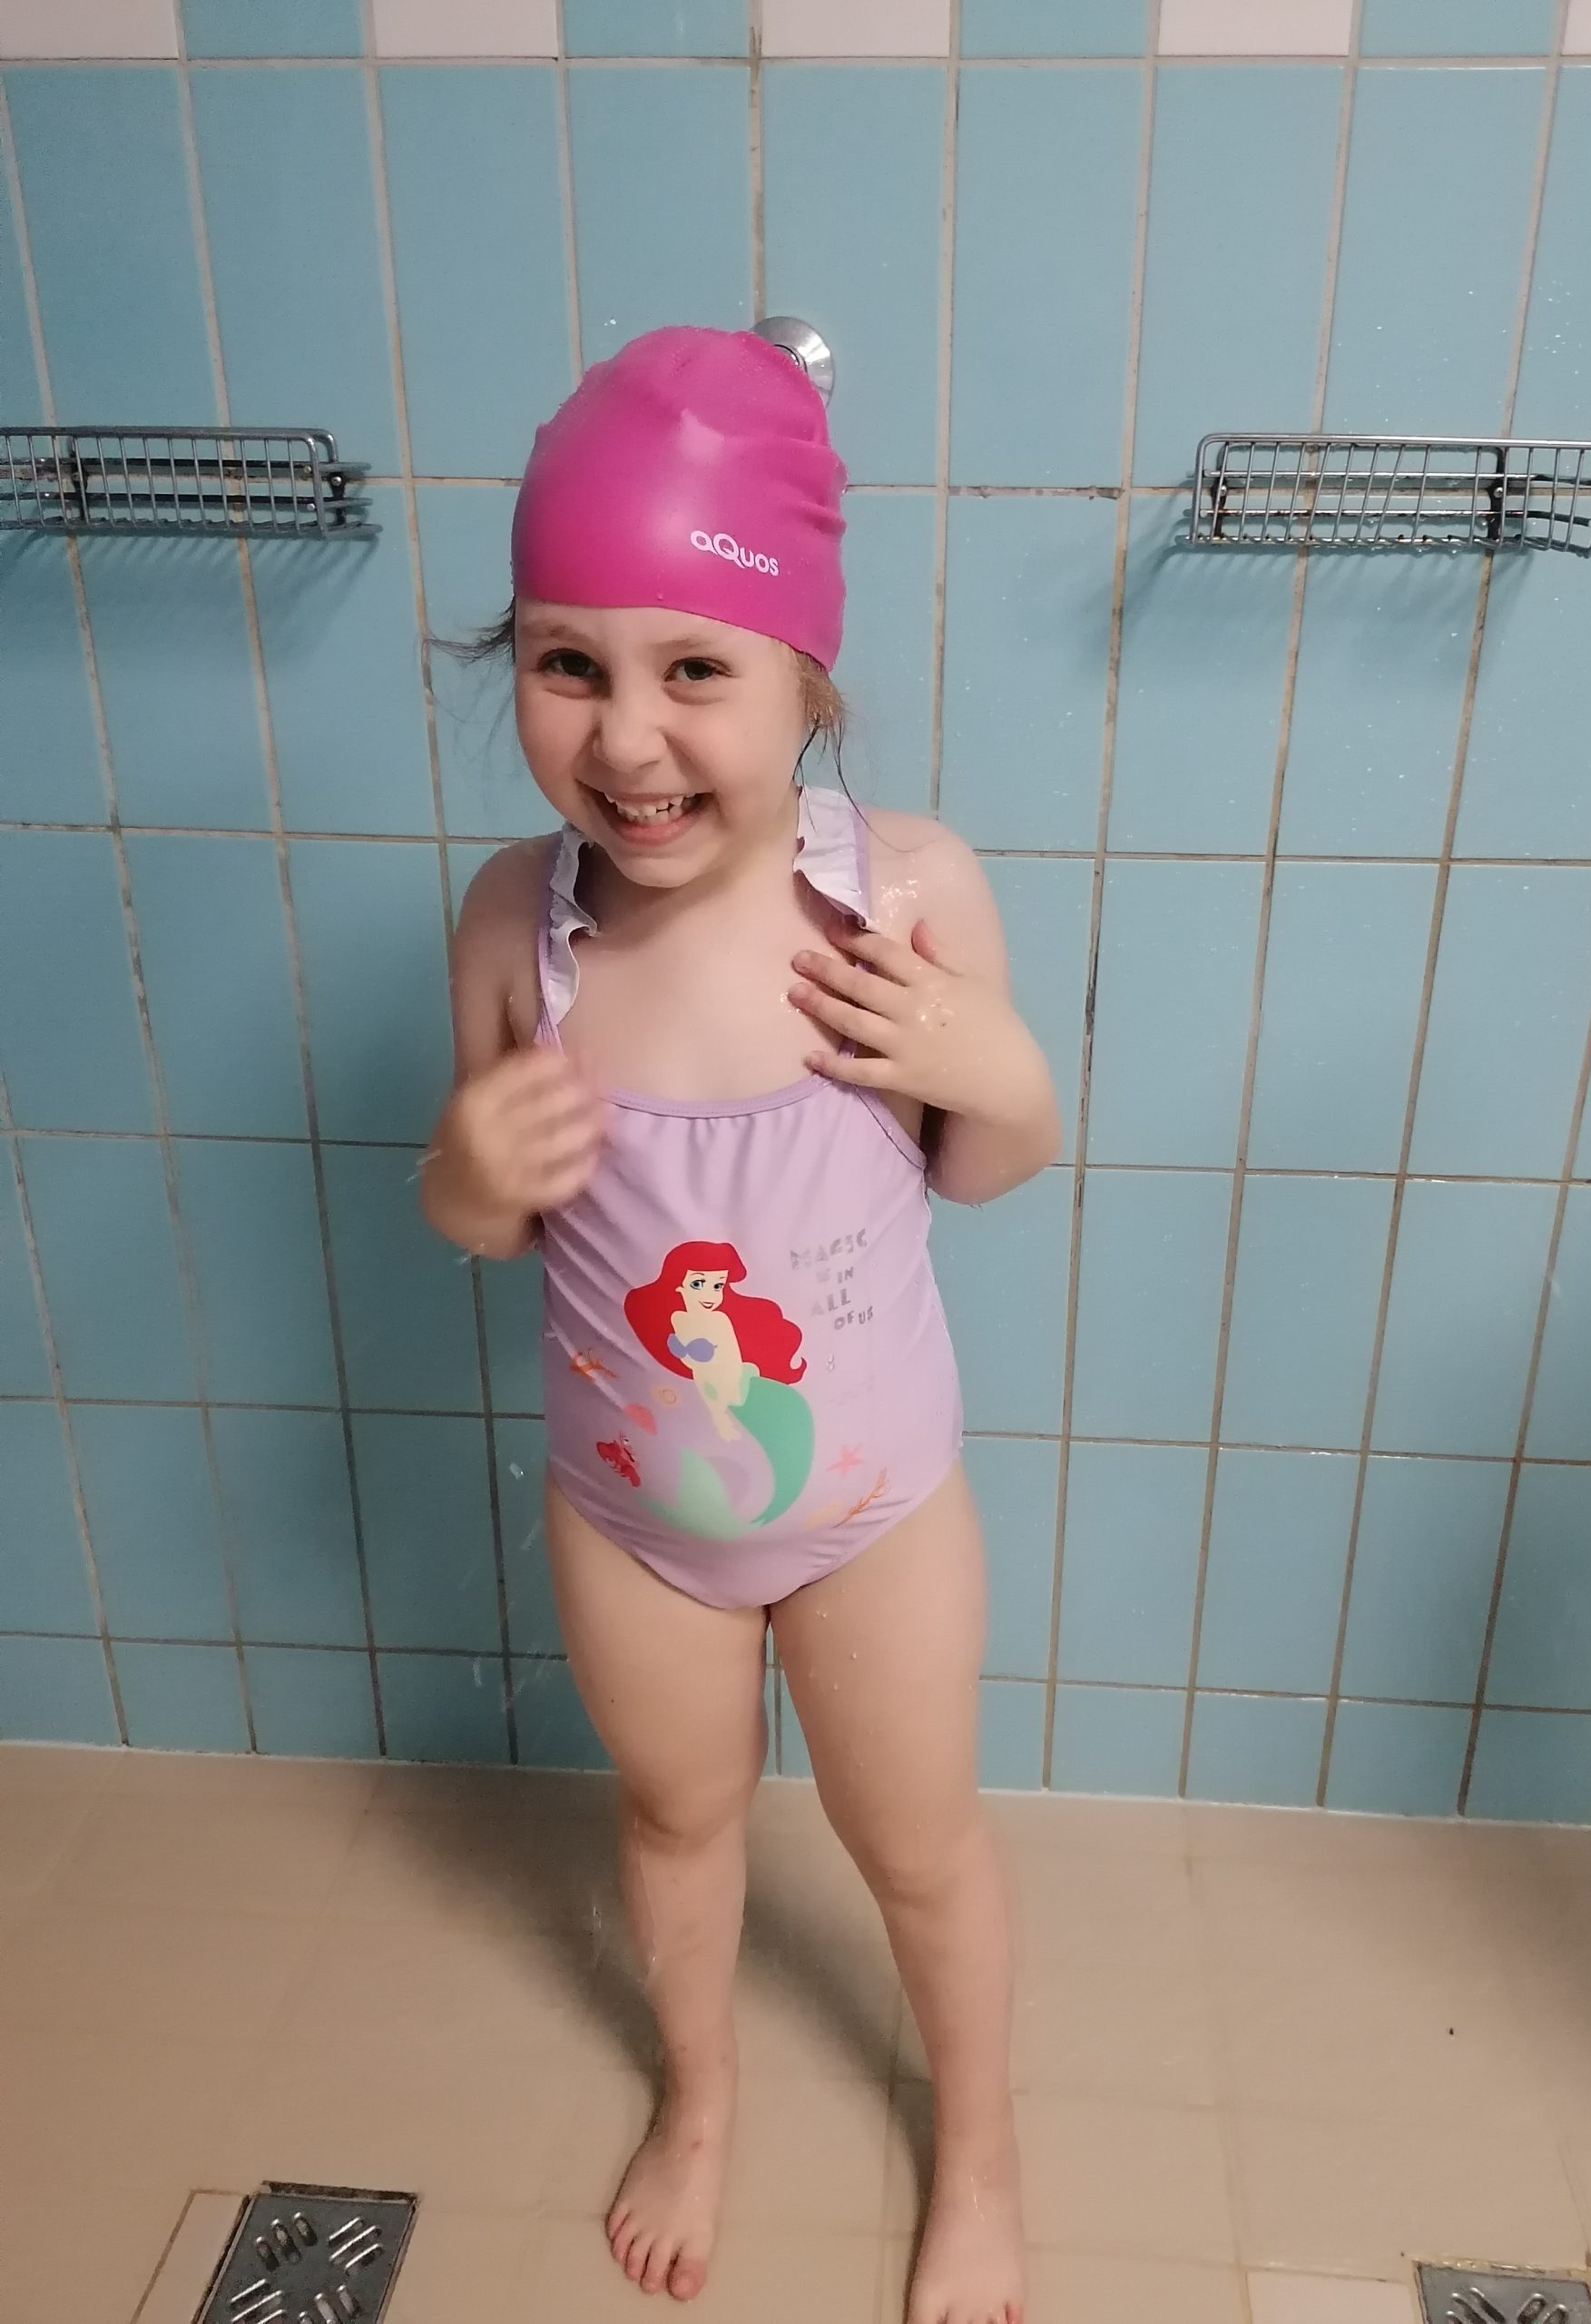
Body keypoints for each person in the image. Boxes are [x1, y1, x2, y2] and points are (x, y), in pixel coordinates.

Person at [421, 325, 1059, 2324]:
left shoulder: (907, 891)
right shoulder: (515, 920)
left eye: (695, 669)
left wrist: (999, 1070)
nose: (627, 740)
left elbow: (987, 1165)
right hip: (634, 1524)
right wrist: (468, 1164)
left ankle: (980, 2150)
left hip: (876, 1512)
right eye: (566, 663)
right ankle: (698, 2099)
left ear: (807, 679)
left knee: (918, 1844)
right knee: (677, 1815)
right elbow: (486, 1227)